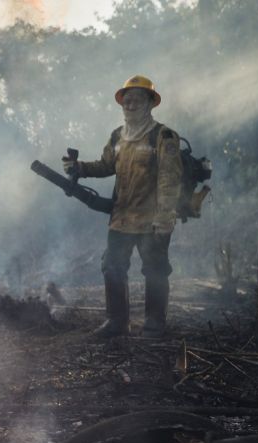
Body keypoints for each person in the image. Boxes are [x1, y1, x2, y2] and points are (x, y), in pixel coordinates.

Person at [63, 75, 183, 338]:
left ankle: (154, 324)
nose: (130, 105)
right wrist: (80, 168)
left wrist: (165, 217)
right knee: (112, 266)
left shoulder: (163, 136)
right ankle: (117, 322)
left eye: (137, 100)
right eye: (126, 101)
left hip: (152, 219)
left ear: (150, 103)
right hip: (121, 218)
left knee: (155, 269)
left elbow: (169, 180)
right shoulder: (118, 136)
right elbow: (107, 165)